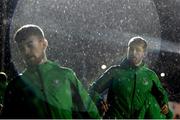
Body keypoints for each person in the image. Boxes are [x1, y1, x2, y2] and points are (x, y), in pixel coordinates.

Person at [1, 24, 100, 119]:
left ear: (44, 44)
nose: (26, 52)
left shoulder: (65, 76)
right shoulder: (16, 86)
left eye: (30, 45)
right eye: (21, 48)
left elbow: (90, 113)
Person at [89, 36, 173, 119]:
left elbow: (162, 96)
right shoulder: (114, 72)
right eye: (131, 49)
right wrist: (98, 102)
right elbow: (93, 89)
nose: (133, 52)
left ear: (144, 53)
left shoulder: (150, 76)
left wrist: (164, 104)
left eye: (138, 50)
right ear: (127, 50)